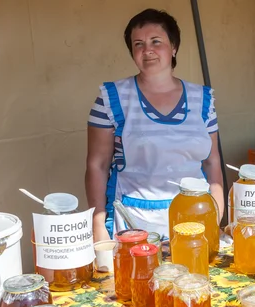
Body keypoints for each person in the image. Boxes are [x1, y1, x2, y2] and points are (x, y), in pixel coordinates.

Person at [86, 9, 224, 242]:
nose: (147, 49)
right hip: (134, 221)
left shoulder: (202, 99)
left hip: (195, 218)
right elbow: (96, 165)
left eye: (156, 41)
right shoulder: (112, 98)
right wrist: (97, 227)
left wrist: (215, 218)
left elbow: (213, 163)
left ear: (174, 47)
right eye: (138, 44)